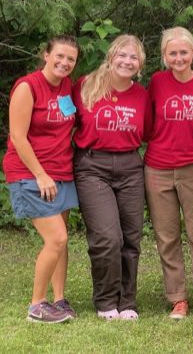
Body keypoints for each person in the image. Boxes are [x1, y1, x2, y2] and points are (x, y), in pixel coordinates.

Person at [145, 27, 193, 321]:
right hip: (157, 168)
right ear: (164, 56)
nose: (179, 58)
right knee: (167, 236)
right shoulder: (157, 81)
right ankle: (178, 298)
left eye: (183, 52)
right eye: (172, 53)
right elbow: (148, 119)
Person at [72, 34, 150, 320]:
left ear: (139, 64)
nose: (127, 61)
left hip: (130, 166)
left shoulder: (142, 95)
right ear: (112, 56)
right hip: (93, 166)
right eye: (123, 55)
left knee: (131, 238)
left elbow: (150, 131)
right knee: (107, 237)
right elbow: (63, 121)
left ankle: (127, 301)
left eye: (133, 57)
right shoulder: (84, 86)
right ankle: (106, 301)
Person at [3, 35, 79, 323]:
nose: (64, 62)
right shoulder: (27, 86)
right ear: (46, 55)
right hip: (32, 174)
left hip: (62, 172)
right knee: (56, 238)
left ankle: (59, 300)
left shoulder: (68, 86)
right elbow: (18, 137)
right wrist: (40, 175)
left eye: (71, 59)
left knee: (62, 240)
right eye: (59, 56)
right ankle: (37, 305)